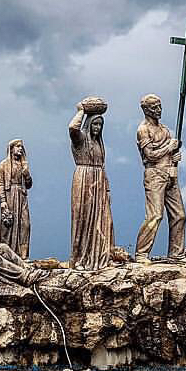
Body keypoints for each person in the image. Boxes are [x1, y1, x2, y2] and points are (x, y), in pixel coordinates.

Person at [134, 94, 186, 261]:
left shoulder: (165, 129)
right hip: (154, 174)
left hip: (170, 174)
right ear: (146, 110)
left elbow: (169, 154)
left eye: (160, 106)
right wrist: (169, 147)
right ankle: (141, 253)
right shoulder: (143, 130)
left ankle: (176, 254)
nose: (159, 110)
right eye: (155, 107)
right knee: (155, 215)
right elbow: (149, 156)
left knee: (179, 215)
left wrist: (175, 155)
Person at [68, 98, 114, 270]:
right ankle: (80, 258)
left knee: (102, 220)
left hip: (99, 180)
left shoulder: (98, 144)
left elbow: (102, 166)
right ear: (88, 125)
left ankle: (100, 256)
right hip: (84, 179)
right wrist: (81, 111)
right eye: (94, 125)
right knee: (83, 218)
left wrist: (107, 189)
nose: (97, 128)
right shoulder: (80, 140)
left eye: (100, 125)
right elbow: (72, 128)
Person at [0, 139, 32, 259]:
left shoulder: (24, 165)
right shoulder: (3, 165)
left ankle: (23, 255)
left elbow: (29, 185)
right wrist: (3, 200)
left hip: (22, 196)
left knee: (25, 224)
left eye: (21, 147)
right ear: (11, 149)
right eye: (17, 146)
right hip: (9, 195)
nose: (20, 149)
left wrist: (26, 175)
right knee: (8, 225)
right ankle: (6, 254)